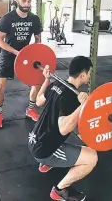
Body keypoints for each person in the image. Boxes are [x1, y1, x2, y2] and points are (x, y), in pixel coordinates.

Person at [28, 56, 98, 201]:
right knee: (92, 158)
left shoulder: (56, 85)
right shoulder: (71, 96)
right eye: (89, 73)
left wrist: (46, 79)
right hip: (44, 148)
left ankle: (45, 164)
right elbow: (64, 128)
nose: (89, 76)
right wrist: (83, 106)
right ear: (83, 75)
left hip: (33, 138)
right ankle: (60, 190)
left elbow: (39, 100)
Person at [0, 0, 43, 128]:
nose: (27, 4)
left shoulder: (34, 19)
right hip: (8, 55)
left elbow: (38, 39)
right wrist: (16, 52)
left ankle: (31, 109)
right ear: (17, 1)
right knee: (0, 86)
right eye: (24, 1)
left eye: (29, 1)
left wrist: (33, 51)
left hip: (26, 57)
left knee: (37, 82)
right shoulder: (7, 18)